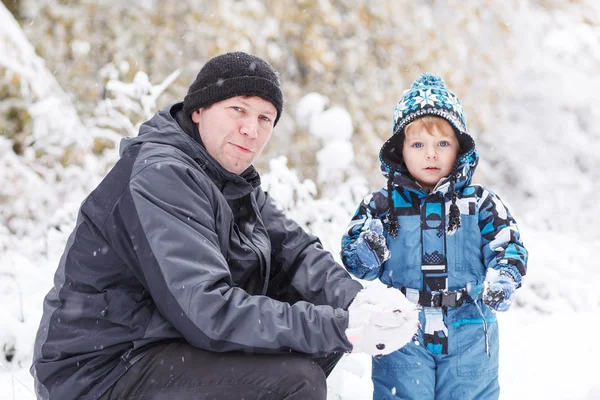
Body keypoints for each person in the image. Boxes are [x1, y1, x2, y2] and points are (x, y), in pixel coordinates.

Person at [30, 51, 419, 400]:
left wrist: (356, 302)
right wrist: (339, 327)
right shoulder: (161, 174)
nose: (251, 129)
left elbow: (297, 254)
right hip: (99, 371)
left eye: (265, 118)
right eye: (238, 110)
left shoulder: (231, 181)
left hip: (160, 346)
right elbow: (209, 309)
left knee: (322, 323)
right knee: (298, 377)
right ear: (199, 110)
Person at [340, 73, 528, 399]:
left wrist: (504, 276)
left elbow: (507, 244)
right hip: (401, 328)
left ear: (460, 150)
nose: (431, 154)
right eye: (418, 144)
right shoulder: (382, 206)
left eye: (443, 143)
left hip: (469, 328)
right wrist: (366, 250)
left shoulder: (480, 203)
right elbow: (357, 262)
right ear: (400, 150)